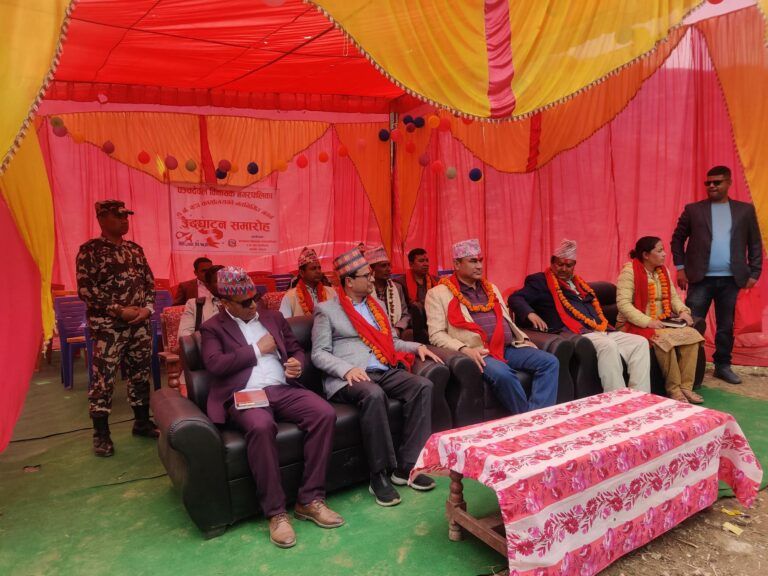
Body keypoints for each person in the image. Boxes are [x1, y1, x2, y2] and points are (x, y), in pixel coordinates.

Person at [200, 266, 342, 549]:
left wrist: (296, 363)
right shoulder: (212, 328)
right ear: (225, 303)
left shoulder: (273, 317)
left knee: (324, 413)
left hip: (281, 388)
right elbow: (215, 364)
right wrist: (257, 350)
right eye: (245, 302)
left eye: (256, 298)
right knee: (262, 426)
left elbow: (296, 348)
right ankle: (276, 513)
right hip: (245, 394)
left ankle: (310, 499)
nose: (254, 305)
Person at [311, 246, 443, 507]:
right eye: (365, 275)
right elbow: (318, 353)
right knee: (373, 394)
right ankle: (378, 474)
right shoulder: (326, 310)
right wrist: (346, 369)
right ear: (349, 282)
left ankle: (406, 467)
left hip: (383, 368)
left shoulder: (377, 306)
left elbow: (392, 342)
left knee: (423, 386)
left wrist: (416, 347)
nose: (372, 278)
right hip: (350, 376)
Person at [425, 239, 559, 415]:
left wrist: (523, 339)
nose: (479, 266)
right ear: (457, 264)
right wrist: (464, 349)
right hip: (480, 352)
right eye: (473, 261)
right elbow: (436, 334)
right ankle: (528, 419)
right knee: (504, 375)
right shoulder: (437, 294)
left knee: (549, 362)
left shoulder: (491, 288)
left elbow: (506, 320)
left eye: (480, 260)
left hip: (508, 347)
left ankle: (538, 415)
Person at [510, 239, 650, 393]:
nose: (564, 269)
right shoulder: (540, 281)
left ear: (574, 266)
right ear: (552, 263)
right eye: (560, 264)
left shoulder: (579, 283)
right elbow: (516, 298)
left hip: (602, 329)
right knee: (607, 345)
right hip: (577, 332)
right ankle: (617, 398)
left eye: (569, 266)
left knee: (640, 342)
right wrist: (530, 313)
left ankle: (640, 395)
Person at [76, 200, 158, 457]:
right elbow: (86, 290)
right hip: (108, 328)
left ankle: (142, 422)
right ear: (101, 219)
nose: (124, 220)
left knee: (140, 374)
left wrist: (147, 309)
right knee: (104, 379)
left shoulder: (135, 250)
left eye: (126, 216)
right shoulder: (90, 251)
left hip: (139, 325)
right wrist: (118, 310)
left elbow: (149, 284)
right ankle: (101, 435)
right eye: (118, 216)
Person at [671, 166, 763, 384]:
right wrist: (680, 268)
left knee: (725, 326)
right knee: (692, 323)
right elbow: (677, 239)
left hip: (732, 280)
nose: (711, 186)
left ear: (729, 183)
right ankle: (688, 369)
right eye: (708, 182)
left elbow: (755, 243)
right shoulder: (694, 210)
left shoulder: (744, 211)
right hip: (699, 279)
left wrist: (755, 271)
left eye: (717, 182)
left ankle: (723, 366)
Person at [616, 237, 704, 404]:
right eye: (659, 250)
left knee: (692, 335)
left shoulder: (662, 271)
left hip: (662, 322)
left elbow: (673, 297)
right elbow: (623, 304)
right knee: (664, 341)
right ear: (646, 255)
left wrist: (683, 311)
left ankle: (686, 387)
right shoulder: (629, 272)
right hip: (634, 324)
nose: (664, 254)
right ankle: (674, 389)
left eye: (663, 250)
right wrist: (647, 321)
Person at [366, 245, 411, 337]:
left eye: (389, 265)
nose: (388, 269)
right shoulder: (365, 288)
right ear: (372, 269)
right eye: (383, 266)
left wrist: (398, 329)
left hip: (395, 330)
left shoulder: (397, 287)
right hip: (373, 331)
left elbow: (405, 314)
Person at [279, 247, 337, 318]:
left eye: (319, 268)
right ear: (302, 273)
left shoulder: (332, 292)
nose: (318, 271)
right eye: (313, 268)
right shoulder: (289, 297)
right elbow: (284, 322)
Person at [177, 264, 224, 341]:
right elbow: (184, 336)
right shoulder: (194, 304)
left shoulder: (239, 303)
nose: (225, 284)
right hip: (205, 345)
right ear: (208, 286)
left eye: (228, 280)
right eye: (219, 281)